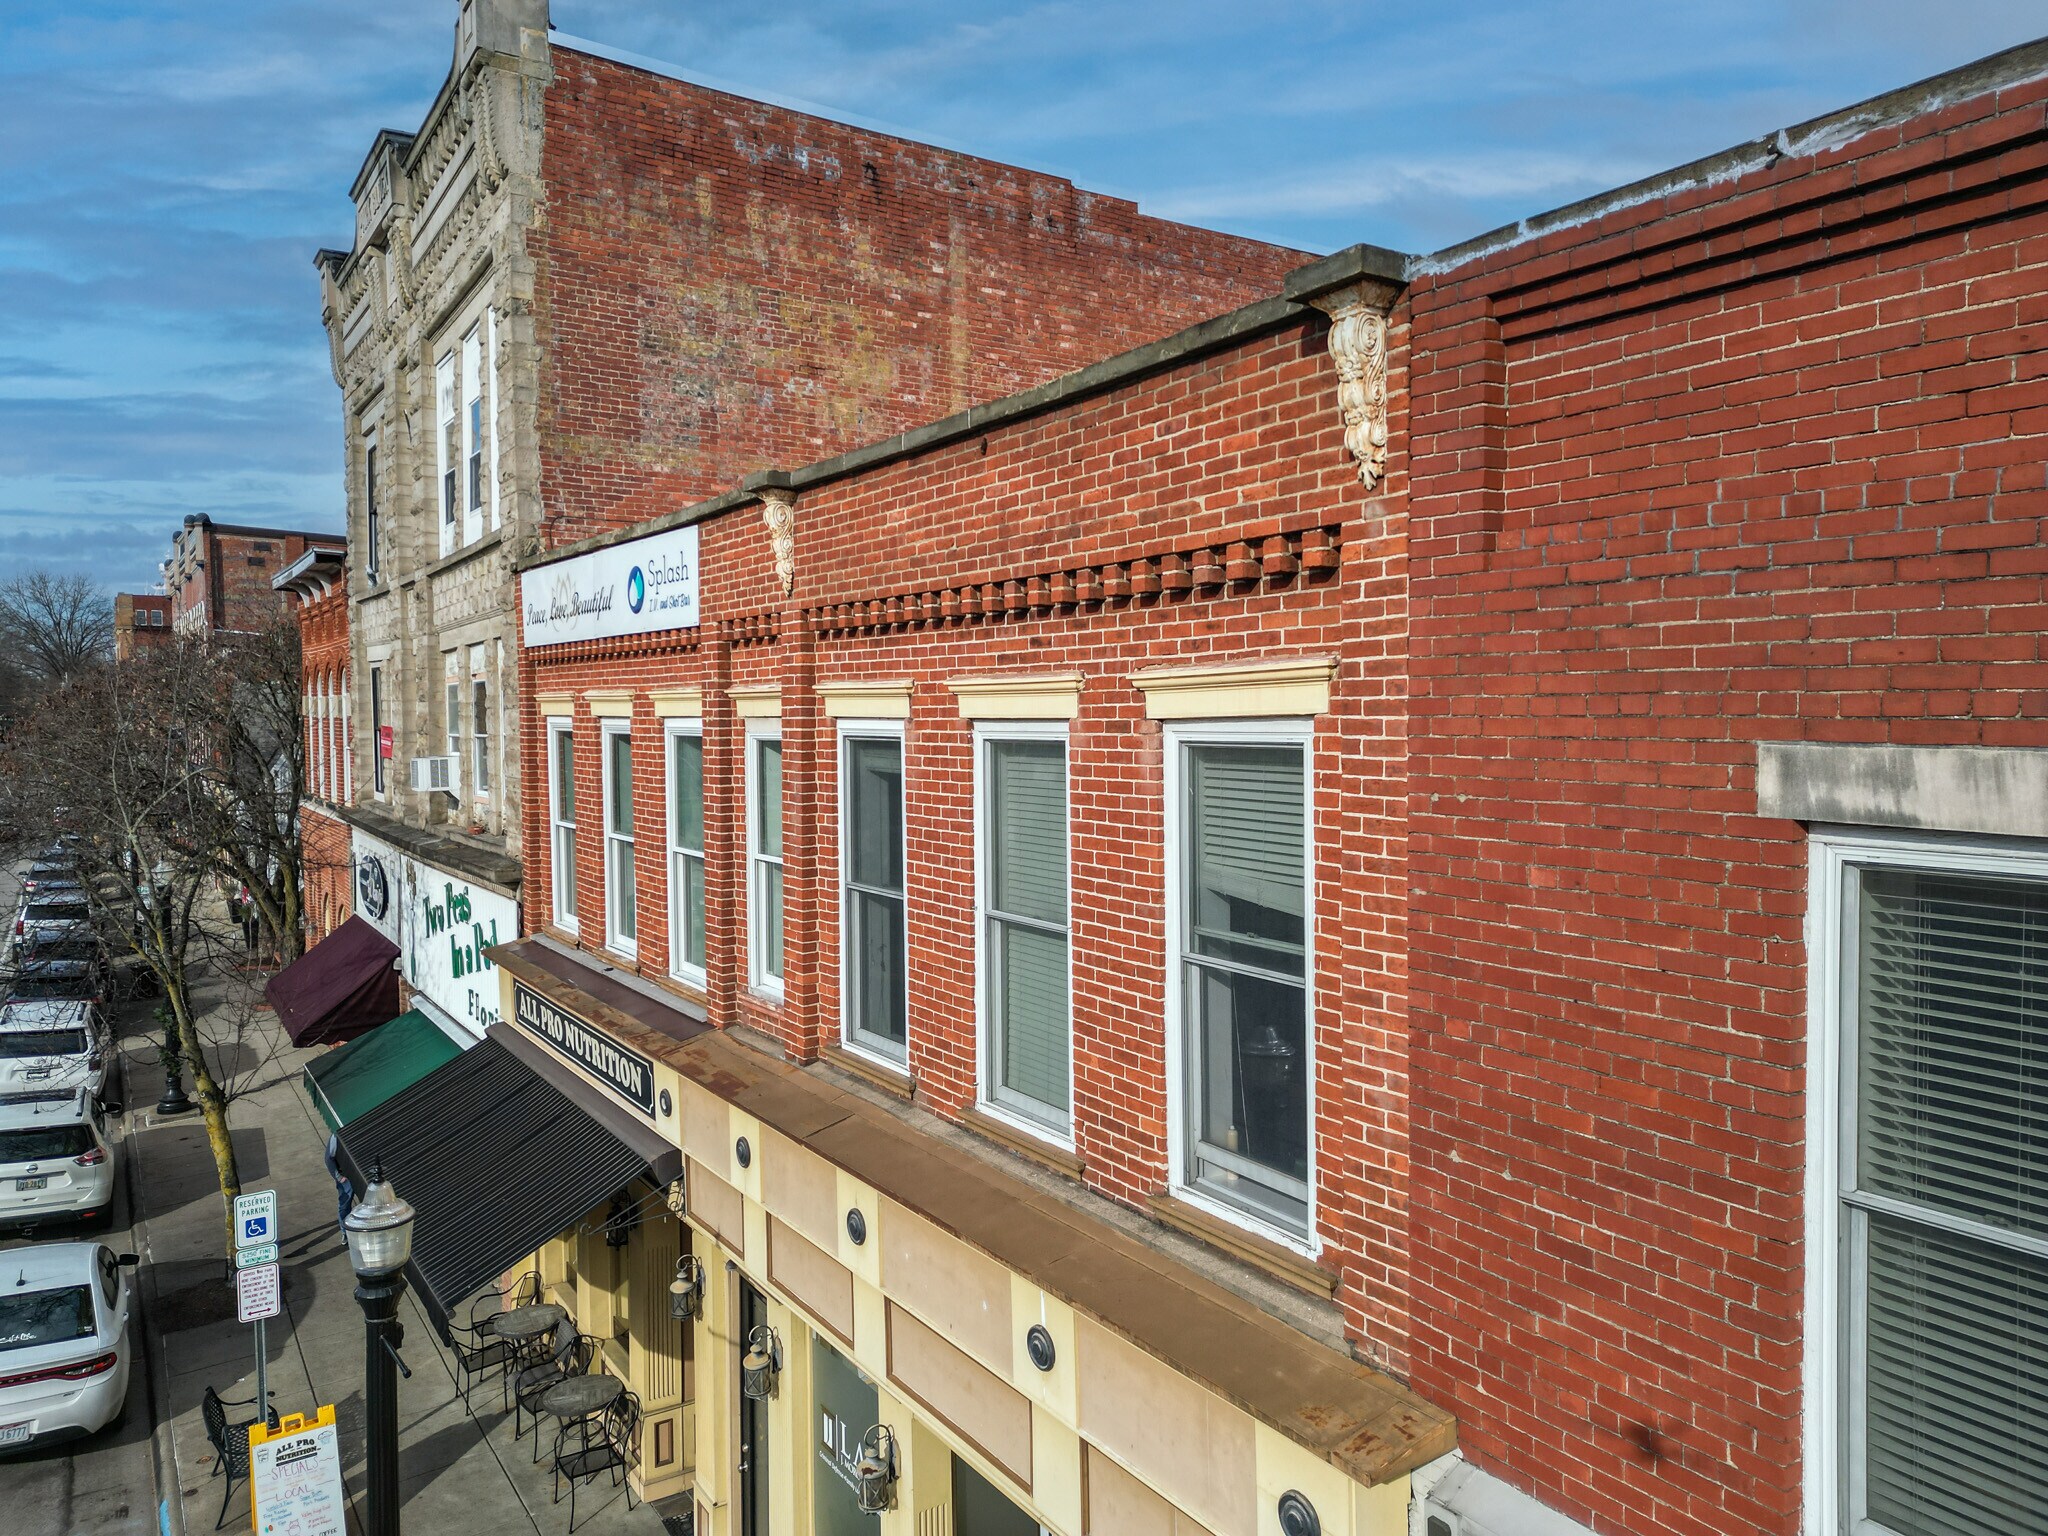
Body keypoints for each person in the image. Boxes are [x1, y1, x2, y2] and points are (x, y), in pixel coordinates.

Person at [324, 1132, 354, 1238]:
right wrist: (339, 1177)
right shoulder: (336, 1137)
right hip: (346, 1178)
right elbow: (328, 1158)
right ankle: (345, 1233)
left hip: (359, 1174)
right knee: (344, 1205)